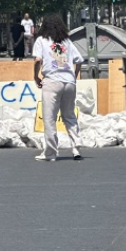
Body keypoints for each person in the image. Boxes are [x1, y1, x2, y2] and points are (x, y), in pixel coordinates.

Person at [31, 14, 84, 162]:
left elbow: (38, 60)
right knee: (69, 115)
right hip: (69, 82)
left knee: (49, 118)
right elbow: (79, 60)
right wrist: (74, 75)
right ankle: (76, 146)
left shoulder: (41, 40)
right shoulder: (66, 41)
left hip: (52, 81)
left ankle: (50, 153)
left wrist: (36, 76)